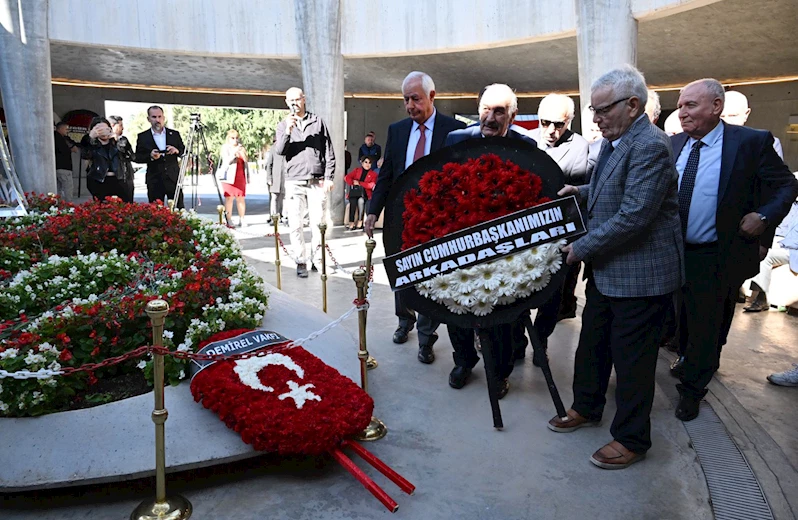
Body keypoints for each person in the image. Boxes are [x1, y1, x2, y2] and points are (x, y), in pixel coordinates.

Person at [548, 65, 683, 470]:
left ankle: (632, 438)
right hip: (611, 270)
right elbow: (612, 185)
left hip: (642, 275)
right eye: (593, 109)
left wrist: (579, 248)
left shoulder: (651, 146)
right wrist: (582, 190)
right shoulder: (615, 138)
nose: (595, 118)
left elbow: (634, 215)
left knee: (632, 362)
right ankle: (586, 407)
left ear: (633, 105)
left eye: (602, 109)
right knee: (593, 344)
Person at [669, 78, 798, 422]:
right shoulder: (674, 144)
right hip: (674, 252)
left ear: (716, 106)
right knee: (682, 317)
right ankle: (687, 360)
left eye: (690, 105)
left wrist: (764, 217)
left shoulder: (750, 143)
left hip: (717, 254)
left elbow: (786, 185)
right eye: (680, 106)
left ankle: (693, 390)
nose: (682, 113)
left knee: (708, 323)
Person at [365, 71, 465, 363]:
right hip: (402, 218)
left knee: (429, 276)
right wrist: (373, 211)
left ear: (432, 97)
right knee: (402, 271)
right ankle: (403, 320)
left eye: (415, 99)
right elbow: (386, 175)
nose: (410, 105)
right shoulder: (397, 130)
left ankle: (426, 337)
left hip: (437, 221)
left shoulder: (453, 130)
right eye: (406, 99)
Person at [444, 83, 536, 397]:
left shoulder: (526, 147)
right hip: (459, 244)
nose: (491, 117)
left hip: (505, 251)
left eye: (499, 111)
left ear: (513, 115)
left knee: (502, 318)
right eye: (486, 109)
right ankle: (464, 361)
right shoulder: (456, 140)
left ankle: (499, 372)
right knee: (456, 309)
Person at [529, 93, 590, 331]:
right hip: (523, 232)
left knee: (552, 295)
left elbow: (576, 199)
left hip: (558, 233)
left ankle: (541, 338)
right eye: (545, 122)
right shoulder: (525, 140)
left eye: (559, 124)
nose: (551, 130)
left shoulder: (579, 147)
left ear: (569, 121)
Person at [274, 87, 336, 279]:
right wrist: (288, 130)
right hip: (295, 181)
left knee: (318, 223)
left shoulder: (317, 122)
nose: (294, 103)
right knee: (295, 224)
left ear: (304, 99)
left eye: (297, 99)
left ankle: (318, 260)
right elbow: (280, 151)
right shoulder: (283, 125)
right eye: (291, 100)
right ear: (286, 102)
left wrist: (329, 177)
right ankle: (301, 261)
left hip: (316, 180)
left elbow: (329, 151)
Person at [743, 174, 798, 312]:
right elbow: (780, 228)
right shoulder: (789, 206)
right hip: (782, 243)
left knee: (766, 256)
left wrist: (780, 243)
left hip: (793, 249)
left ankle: (761, 299)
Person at [134, 106, 185, 208]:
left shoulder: (174, 134)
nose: (157, 120)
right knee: (156, 211)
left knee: (178, 209)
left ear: (163, 118)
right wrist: (151, 156)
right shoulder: (143, 137)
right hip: (154, 179)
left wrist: (176, 150)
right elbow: (138, 157)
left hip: (173, 178)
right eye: (154, 117)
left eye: (159, 116)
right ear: (148, 119)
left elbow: (185, 151)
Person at [81, 116, 132, 201]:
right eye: (98, 129)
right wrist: (90, 138)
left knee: (124, 209)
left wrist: (117, 140)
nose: (102, 131)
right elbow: (85, 156)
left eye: (105, 128)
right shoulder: (89, 142)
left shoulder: (119, 141)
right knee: (102, 210)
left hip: (120, 180)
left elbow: (131, 156)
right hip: (99, 180)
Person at [721, 90, 784, 159]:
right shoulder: (708, 143)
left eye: (733, 116)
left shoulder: (766, 143)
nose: (726, 120)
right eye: (721, 116)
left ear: (746, 114)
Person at [218, 129, 249, 227]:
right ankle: (229, 219)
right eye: (233, 138)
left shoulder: (241, 148)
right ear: (228, 138)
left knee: (241, 198)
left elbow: (245, 161)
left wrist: (242, 153)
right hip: (229, 177)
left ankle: (242, 218)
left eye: (236, 138)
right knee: (229, 198)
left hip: (240, 176)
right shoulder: (225, 148)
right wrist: (234, 152)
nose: (235, 140)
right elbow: (226, 161)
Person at [344, 155, 377, 230]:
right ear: (362, 163)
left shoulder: (373, 174)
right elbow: (346, 177)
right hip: (354, 192)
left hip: (365, 194)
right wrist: (352, 182)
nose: (367, 164)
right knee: (353, 202)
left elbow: (371, 185)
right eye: (366, 162)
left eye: (369, 163)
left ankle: (360, 221)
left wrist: (359, 183)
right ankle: (351, 222)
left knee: (361, 201)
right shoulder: (356, 170)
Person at [108, 116, 135, 202]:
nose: (123, 128)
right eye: (120, 125)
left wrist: (119, 143)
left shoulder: (123, 140)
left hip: (125, 176)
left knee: (128, 204)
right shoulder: (103, 141)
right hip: (110, 178)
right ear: (112, 125)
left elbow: (132, 156)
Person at [53, 121, 77, 202]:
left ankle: (58, 206)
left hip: (56, 167)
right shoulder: (59, 138)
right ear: (61, 128)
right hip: (64, 167)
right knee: (68, 189)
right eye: (66, 129)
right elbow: (66, 150)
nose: (67, 131)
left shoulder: (55, 137)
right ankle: (68, 207)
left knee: (58, 190)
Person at [265, 140, 286, 224]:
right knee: (274, 198)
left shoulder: (287, 147)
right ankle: (274, 216)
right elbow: (269, 164)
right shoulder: (274, 148)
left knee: (282, 198)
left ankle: (281, 215)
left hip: (284, 178)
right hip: (275, 178)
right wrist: (269, 178)